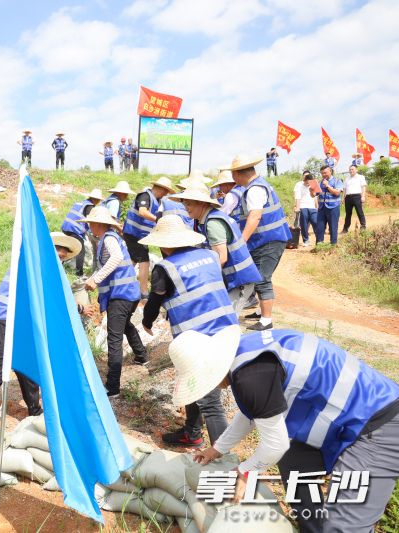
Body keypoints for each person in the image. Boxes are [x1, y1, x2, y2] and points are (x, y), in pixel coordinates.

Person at [175, 326, 399, 533]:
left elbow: (275, 444)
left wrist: (245, 472)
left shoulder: (251, 376)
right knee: (294, 462)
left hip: (380, 424)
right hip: (348, 418)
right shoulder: (246, 358)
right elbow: (252, 413)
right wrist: (217, 449)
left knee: (344, 526)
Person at [138, 215, 238, 448]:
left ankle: (224, 461)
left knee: (210, 400)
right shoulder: (209, 255)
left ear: (164, 243)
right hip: (227, 329)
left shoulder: (165, 268)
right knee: (192, 380)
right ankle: (192, 433)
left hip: (198, 338)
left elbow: (154, 300)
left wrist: (147, 321)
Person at [0, 233, 85, 425]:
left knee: (27, 367)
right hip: (1, 323)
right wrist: (76, 307)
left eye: (63, 257)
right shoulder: (32, 265)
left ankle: (35, 411)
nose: (60, 259)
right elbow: (49, 299)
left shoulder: (43, 268)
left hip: (18, 326)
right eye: (57, 254)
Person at [81, 206, 147, 396]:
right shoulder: (109, 238)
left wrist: (96, 279)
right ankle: (142, 356)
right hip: (129, 293)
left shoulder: (109, 238)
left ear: (97, 224)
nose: (90, 227)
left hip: (121, 294)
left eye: (91, 223)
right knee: (125, 325)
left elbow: (116, 258)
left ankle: (112, 387)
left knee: (114, 337)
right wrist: (93, 278)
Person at [221, 154, 291, 331]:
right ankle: (262, 312)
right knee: (258, 276)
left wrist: (242, 241)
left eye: (233, 175)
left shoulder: (255, 189)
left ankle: (267, 321)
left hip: (268, 240)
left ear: (238, 174)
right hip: (267, 239)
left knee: (262, 278)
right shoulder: (256, 186)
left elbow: (255, 216)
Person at [170, 186, 262, 314]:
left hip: (238, 280)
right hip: (230, 279)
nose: (186, 207)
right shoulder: (204, 219)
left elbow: (221, 258)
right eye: (184, 204)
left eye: (189, 204)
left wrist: (204, 281)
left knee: (226, 320)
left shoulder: (213, 223)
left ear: (201, 203)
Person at [121, 176, 176, 301]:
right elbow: (142, 212)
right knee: (144, 261)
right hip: (134, 233)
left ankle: (122, 282)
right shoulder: (145, 196)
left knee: (132, 261)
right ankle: (143, 291)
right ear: (161, 189)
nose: (166, 194)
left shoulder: (156, 201)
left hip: (140, 235)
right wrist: (158, 219)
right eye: (166, 191)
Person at [60, 188, 103, 277]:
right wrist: (95, 234)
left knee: (66, 248)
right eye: (98, 200)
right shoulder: (90, 207)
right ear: (96, 199)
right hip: (74, 230)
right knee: (81, 251)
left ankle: (59, 267)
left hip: (66, 227)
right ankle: (79, 274)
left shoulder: (81, 203)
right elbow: (89, 221)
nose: (98, 201)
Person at [316, 164, 344, 245]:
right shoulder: (320, 182)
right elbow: (314, 194)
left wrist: (327, 186)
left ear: (330, 171)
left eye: (325, 173)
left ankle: (333, 245)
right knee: (320, 227)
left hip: (333, 207)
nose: (323, 175)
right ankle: (319, 245)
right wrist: (312, 190)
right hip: (321, 208)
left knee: (333, 227)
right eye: (322, 173)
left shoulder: (337, 181)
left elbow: (337, 193)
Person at [294, 171, 319, 247]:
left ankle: (319, 240)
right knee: (304, 224)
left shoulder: (314, 183)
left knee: (315, 223)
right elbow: (297, 197)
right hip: (303, 206)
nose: (309, 184)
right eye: (308, 182)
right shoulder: (299, 185)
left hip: (312, 207)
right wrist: (297, 207)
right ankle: (306, 240)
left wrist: (317, 206)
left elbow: (315, 196)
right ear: (305, 180)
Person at [342, 164, 367, 233]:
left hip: (357, 197)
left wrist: (363, 196)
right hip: (348, 197)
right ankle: (345, 228)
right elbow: (344, 189)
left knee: (359, 212)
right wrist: (343, 198)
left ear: (356, 170)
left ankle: (363, 226)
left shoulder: (361, 177)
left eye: (352, 169)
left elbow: (363, 187)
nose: (351, 171)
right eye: (350, 169)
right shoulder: (347, 178)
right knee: (348, 214)